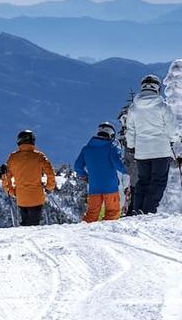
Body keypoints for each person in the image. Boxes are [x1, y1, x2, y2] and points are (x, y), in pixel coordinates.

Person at [125, 75, 175, 215]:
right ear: (157, 88)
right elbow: (172, 128)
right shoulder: (163, 107)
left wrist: (131, 146)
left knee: (143, 181)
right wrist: (172, 140)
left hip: (142, 152)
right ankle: (148, 211)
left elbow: (130, 130)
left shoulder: (134, 109)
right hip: (161, 151)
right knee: (158, 182)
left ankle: (137, 209)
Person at [74, 122, 127, 223]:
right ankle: (106, 235)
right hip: (110, 187)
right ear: (111, 134)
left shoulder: (86, 149)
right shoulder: (112, 147)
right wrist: (129, 171)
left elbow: (77, 166)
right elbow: (119, 165)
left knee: (92, 214)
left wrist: (85, 176)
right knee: (112, 213)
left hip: (94, 187)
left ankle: (84, 234)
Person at [1, 129, 56, 226]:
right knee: (34, 226)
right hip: (37, 197)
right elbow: (50, 173)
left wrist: (12, 191)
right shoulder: (39, 156)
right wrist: (49, 187)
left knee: (25, 225)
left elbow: (6, 177)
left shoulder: (13, 158)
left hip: (21, 198)